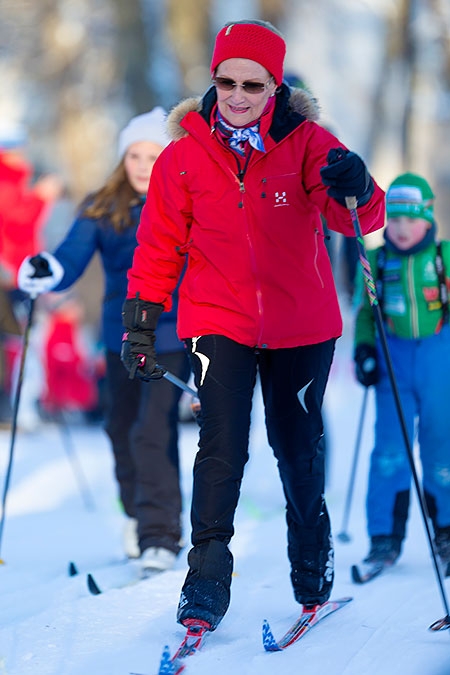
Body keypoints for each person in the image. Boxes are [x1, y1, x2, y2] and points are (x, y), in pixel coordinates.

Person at [121, 19, 385, 631]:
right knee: (220, 448)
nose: (238, 95)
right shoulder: (183, 156)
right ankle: (205, 583)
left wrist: (360, 184)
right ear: (212, 80)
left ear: (275, 86)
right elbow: (158, 246)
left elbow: (358, 219)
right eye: (226, 81)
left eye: (253, 84)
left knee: (297, 449)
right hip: (218, 319)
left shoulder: (310, 142)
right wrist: (141, 324)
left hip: (301, 323)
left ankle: (311, 563)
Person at [17, 108, 191, 575]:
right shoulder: (102, 206)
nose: (141, 165)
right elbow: (71, 255)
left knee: (152, 429)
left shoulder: (183, 202)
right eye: (134, 155)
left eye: (153, 156)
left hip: (171, 333)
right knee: (120, 428)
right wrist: (47, 270)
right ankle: (139, 516)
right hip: (119, 336)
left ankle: (162, 535)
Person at [353, 172, 450, 574]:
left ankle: (445, 530)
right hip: (393, 357)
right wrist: (364, 352)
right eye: (394, 220)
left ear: (428, 220)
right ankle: (384, 537)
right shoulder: (376, 259)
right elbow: (364, 313)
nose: (403, 228)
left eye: (411, 219)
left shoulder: (443, 255)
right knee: (390, 450)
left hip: (438, 359)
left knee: (441, 448)